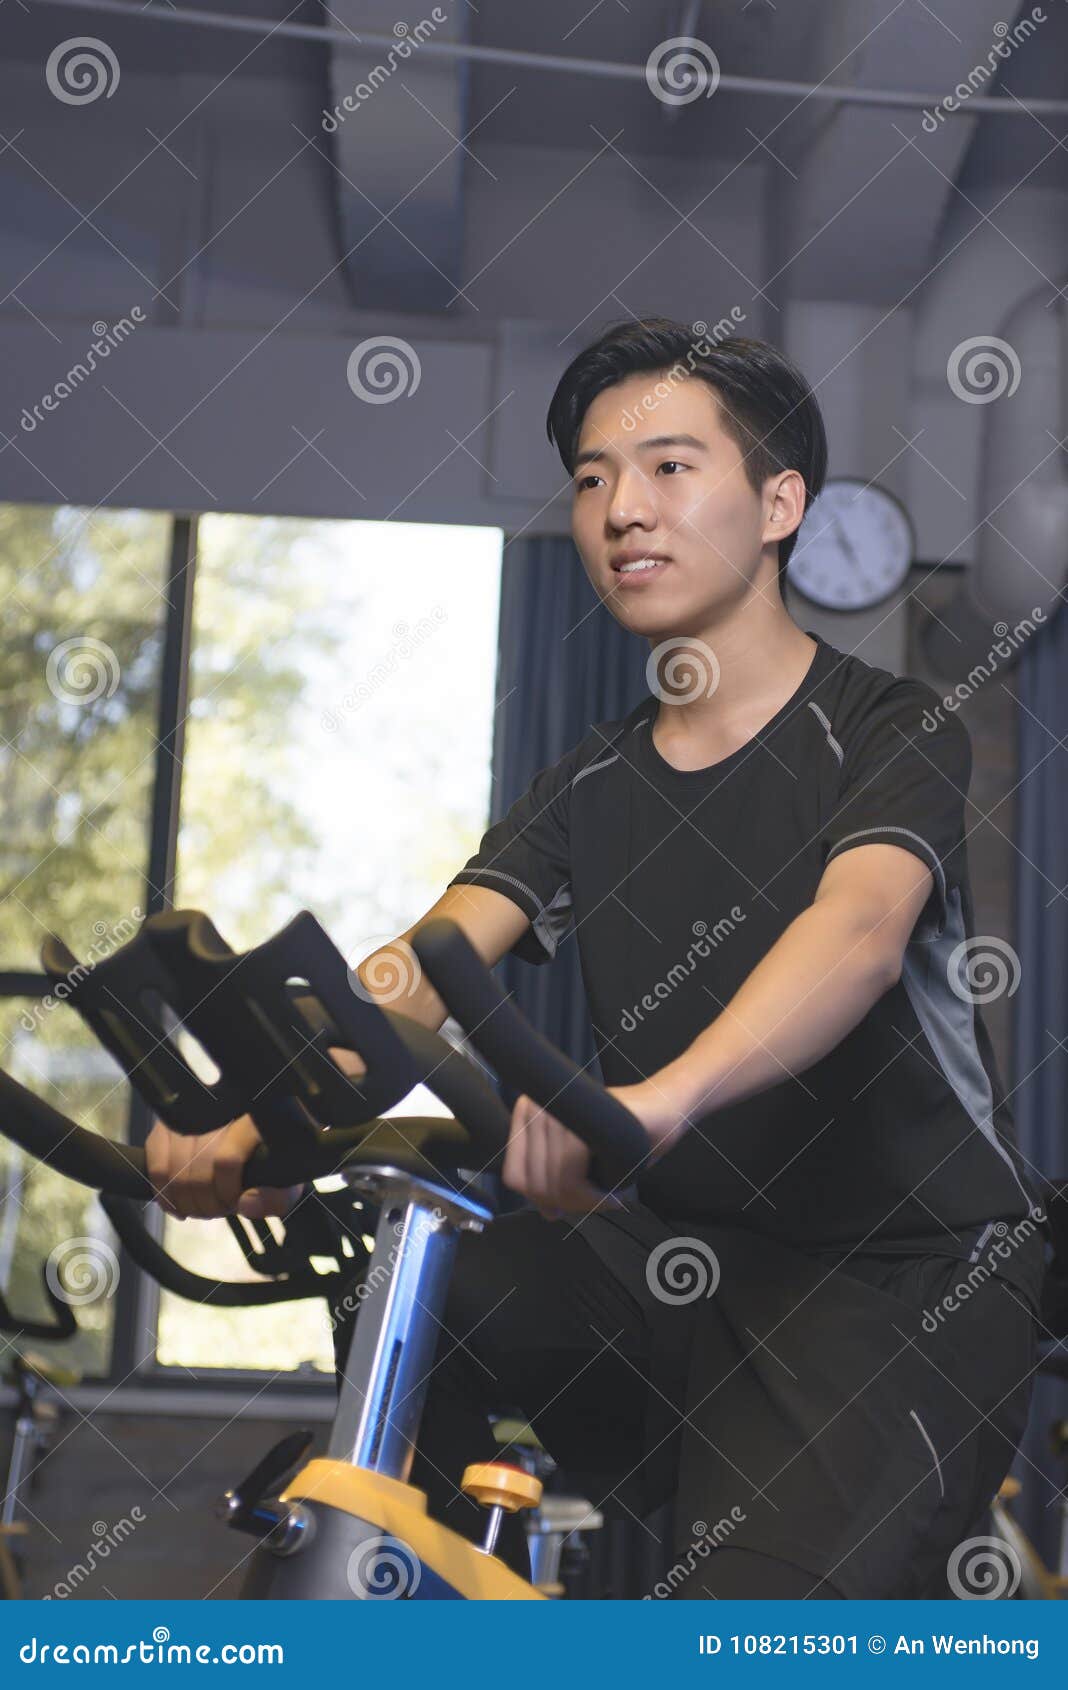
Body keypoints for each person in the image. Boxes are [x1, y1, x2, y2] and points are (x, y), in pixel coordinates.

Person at [147, 319, 1048, 1599]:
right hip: (688, 1271)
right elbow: (420, 970)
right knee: (428, 1274)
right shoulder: (592, 780)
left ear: (780, 501)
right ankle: (421, 1583)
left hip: (901, 1286)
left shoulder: (885, 726)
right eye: (589, 478)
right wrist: (266, 1115)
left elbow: (855, 933)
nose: (622, 507)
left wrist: (659, 1096)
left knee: (749, 1637)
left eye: (671, 468)